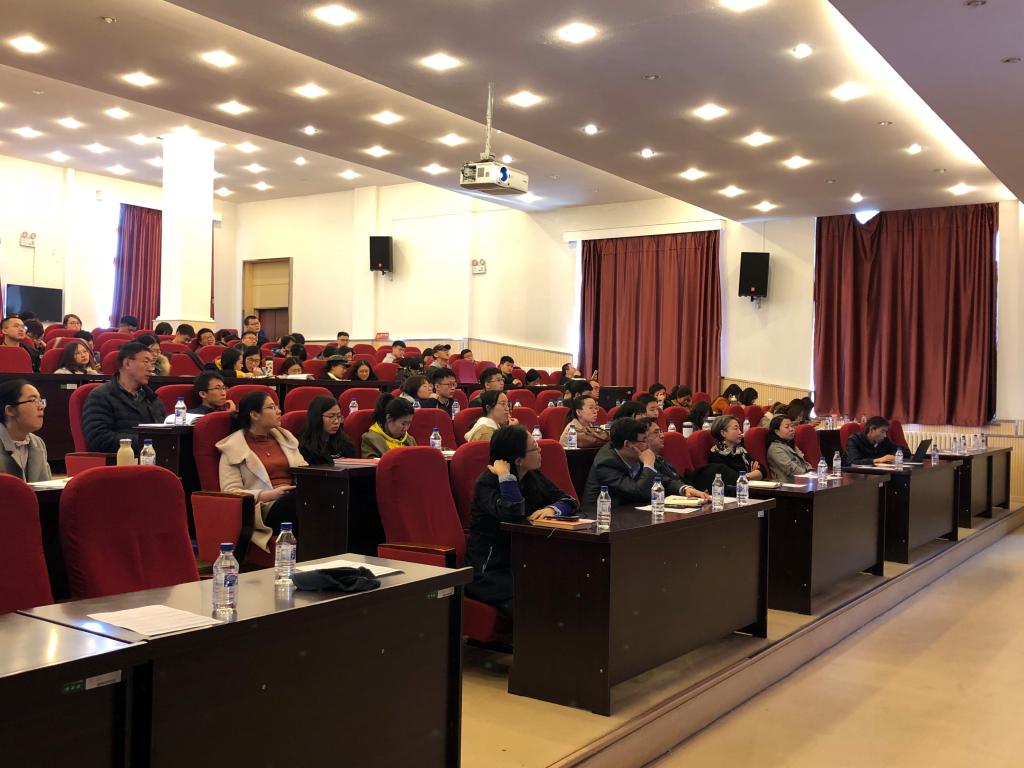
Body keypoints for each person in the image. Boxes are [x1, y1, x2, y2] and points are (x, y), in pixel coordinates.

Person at [465, 425, 579, 617]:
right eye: (535, 448)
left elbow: (570, 501)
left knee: (565, 585)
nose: (540, 450)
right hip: (490, 570)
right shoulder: (487, 483)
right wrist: (506, 477)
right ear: (518, 460)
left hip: (523, 561)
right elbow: (513, 513)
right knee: (535, 598)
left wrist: (552, 509)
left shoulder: (533, 476)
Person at [216, 391, 306, 547]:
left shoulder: (286, 439)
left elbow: (304, 469)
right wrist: (269, 495)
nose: (279, 411)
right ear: (254, 415)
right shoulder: (233, 448)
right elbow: (230, 492)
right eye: (271, 407)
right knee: (297, 501)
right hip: (264, 507)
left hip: (294, 494)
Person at [583, 417, 705, 507]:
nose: (648, 445)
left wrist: (684, 489)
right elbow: (639, 492)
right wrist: (648, 465)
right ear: (627, 444)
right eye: (644, 440)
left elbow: (662, 480)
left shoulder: (636, 453)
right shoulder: (606, 463)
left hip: (632, 511)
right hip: (603, 516)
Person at [81, 342, 166, 452]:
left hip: (152, 457)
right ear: (127, 363)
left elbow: (165, 432)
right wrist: (145, 443)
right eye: (146, 362)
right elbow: (99, 438)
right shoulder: (100, 396)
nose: (151, 369)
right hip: (120, 459)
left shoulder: (152, 398)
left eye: (152, 363)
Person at [0, 378, 52, 482]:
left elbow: (46, 486)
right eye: (33, 400)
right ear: (10, 410)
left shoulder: (37, 443)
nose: (41, 406)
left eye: (41, 401)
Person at [701, 415, 765, 486]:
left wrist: (745, 476)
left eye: (739, 428)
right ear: (723, 433)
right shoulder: (716, 455)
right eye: (736, 428)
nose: (740, 432)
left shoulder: (740, 450)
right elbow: (732, 479)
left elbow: (762, 470)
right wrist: (751, 475)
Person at [298, 396, 358, 464]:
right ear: (317, 417)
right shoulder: (305, 448)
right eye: (331, 416)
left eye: (338, 416)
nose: (336, 422)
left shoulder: (345, 442)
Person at [361, 394, 416, 458]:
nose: (406, 428)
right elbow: (370, 462)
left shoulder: (410, 440)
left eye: (409, 424)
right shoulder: (370, 439)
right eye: (403, 424)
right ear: (389, 418)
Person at [765, 414, 811, 481]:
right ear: (776, 431)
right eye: (787, 427)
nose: (791, 429)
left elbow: (804, 462)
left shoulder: (789, 444)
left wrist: (812, 471)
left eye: (792, 426)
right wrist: (809, 475)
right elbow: (792, 470)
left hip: (801, 480)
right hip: (787, 484)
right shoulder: (775, 449)